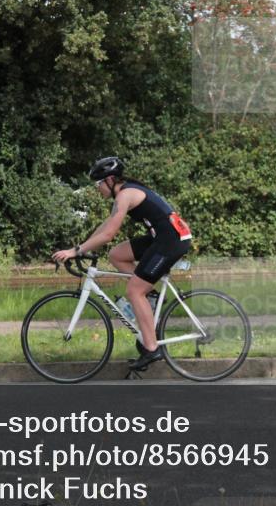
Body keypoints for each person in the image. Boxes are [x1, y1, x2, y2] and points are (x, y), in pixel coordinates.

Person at [52, 156, 192, 370]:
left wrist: (76, 251)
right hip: (163, 236)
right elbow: (107, 225)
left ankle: (152, 349)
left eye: (98, 184)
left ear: (109, 180)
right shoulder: (124, 193)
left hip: (171, 240)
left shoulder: (125, 195)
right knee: (117, 254)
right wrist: (83, 246)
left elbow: (108, 235)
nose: (97, 189)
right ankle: (151, 297)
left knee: (135, 290)